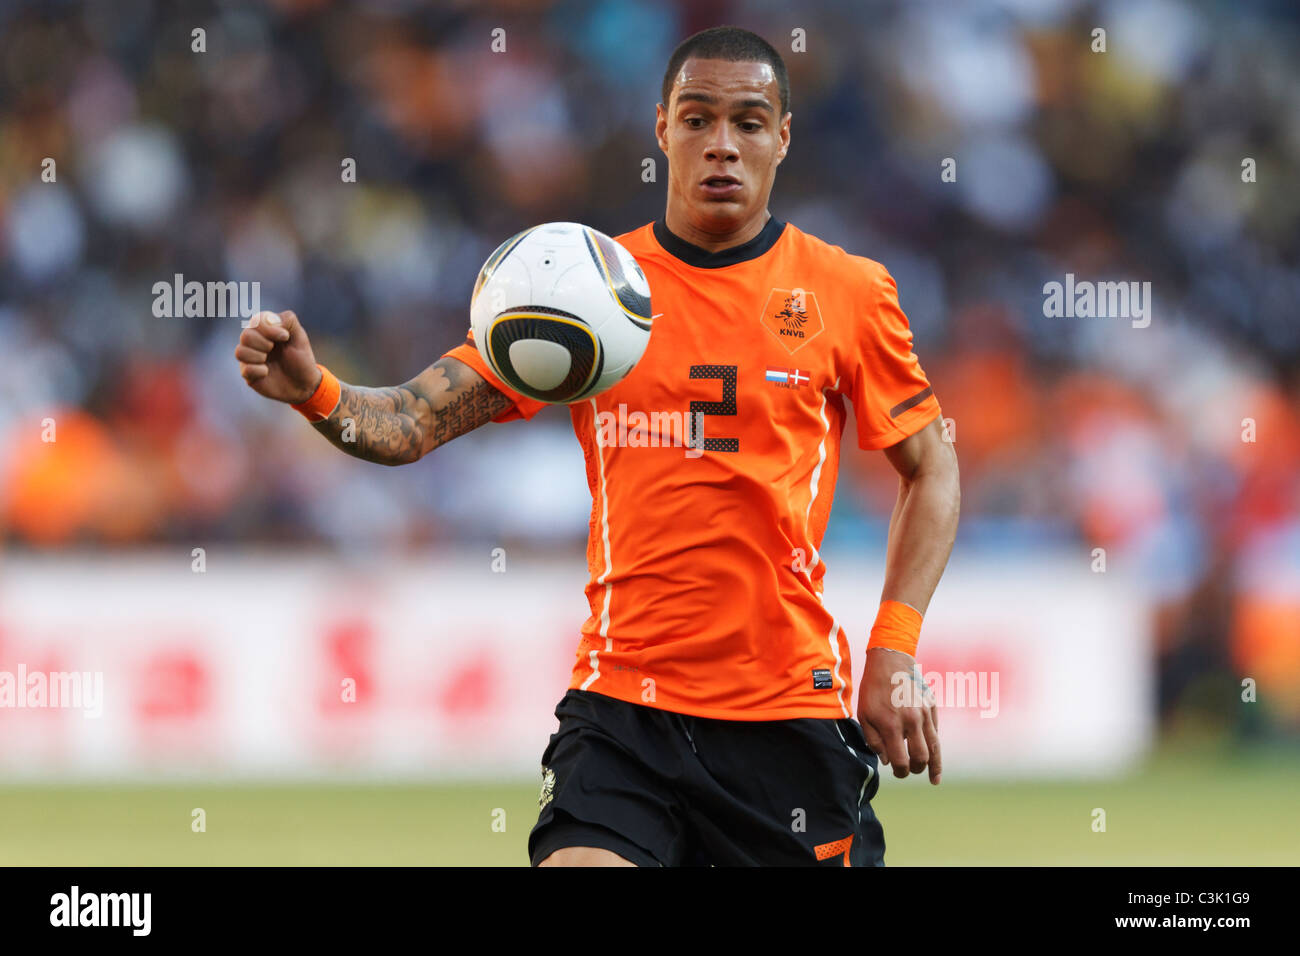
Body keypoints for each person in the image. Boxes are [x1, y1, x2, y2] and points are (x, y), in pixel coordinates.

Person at [235, 25, 960, 866]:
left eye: (749, 123)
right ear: (662, 129)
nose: (721, 145)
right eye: (696, 119)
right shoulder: (584, 292)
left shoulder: (847, 292)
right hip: (622, 711)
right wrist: (315, 391)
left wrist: (896, 649)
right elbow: (409, 423)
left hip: (787, 712)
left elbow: (931, 463)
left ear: (783, 138)